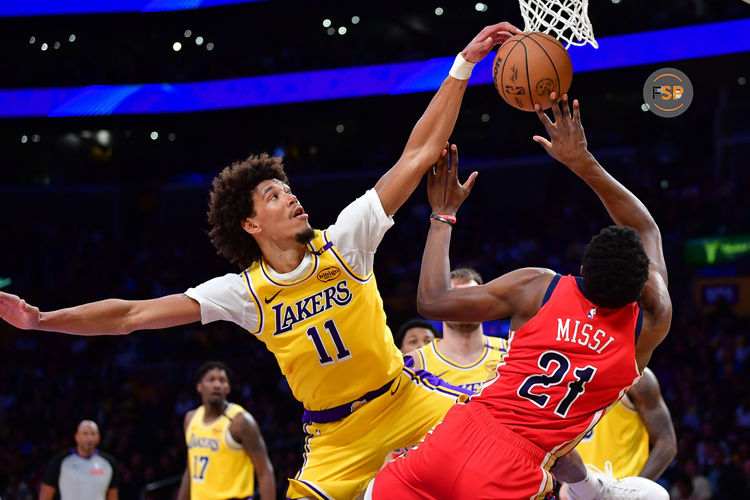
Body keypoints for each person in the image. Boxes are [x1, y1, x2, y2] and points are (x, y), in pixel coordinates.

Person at [0, 21, 521, 500]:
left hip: (405, 405)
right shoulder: (243, 292)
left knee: (509, 459)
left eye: (288, 189)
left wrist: (462, 65)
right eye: (274, 196)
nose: (292, 197)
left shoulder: (345, 239)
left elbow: (416, 154)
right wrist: (43, 320)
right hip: (335, 439)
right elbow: (132, 315)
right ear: (250, 225)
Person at [366, 93, 673, 500]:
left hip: (456, 436)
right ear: (642, 287)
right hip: (518, 467)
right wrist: (585, 165)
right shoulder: (649, 323)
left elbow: (432, 301)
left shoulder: (539, 287)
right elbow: (647, 229)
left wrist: (442, 215)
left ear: (582, 270)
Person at [560, 368, 677, 499]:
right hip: (580, 488)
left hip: (623, 486)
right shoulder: (560, 375)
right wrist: (567, 481)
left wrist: (633, 491)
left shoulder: (638, 377)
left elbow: (666, 443)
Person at [177, 361, 275, 500]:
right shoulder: (190, 419)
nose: (217, 385)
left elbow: (265, 471)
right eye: (211, 380)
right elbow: (190, 469)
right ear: (199, 386)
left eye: (222, 381)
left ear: (228, 388)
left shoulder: (240, 421)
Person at [410, 267, 507, 393]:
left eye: (472, 296)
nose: (464, 303)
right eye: (454, 296)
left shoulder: (509, 353)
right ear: (439, 307)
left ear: (484, 303)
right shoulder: (415, 364)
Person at [39, 420, 119, 500]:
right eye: (85, 434)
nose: (89, 438)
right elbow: (45, 496)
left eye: (93, 434)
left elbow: (112, 496)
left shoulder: (109, 463)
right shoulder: (60, 461)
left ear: (98, 437)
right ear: (77, 437)